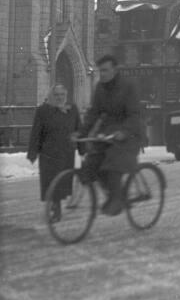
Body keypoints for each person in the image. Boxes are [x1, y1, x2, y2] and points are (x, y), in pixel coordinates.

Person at [77, 54, 141, 216]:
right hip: (108, 133)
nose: (102, 74)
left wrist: (124, 132)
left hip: (130, 134)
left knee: (112, 162)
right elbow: (93, 113)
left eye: (105, 70)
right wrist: (82, 132)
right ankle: (113, 194)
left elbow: (135, 115)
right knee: (92, 161)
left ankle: (116, 199)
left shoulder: (128, 86)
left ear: (115, 70)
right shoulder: (100, 87)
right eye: (100, 71)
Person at [27, 84, 81, 223]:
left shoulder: (72, 109)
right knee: (50, 183)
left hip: (66, 153)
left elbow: (78, 129)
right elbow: (36, 132)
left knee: (62, 182)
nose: (59, 97)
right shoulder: (43, 111)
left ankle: (56, 206)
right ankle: (55, 208)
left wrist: (83, 149)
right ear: (51, 96)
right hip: (48, 154)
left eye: (62, 94)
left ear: (66, 96)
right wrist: (33, 152)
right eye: (56, 95)